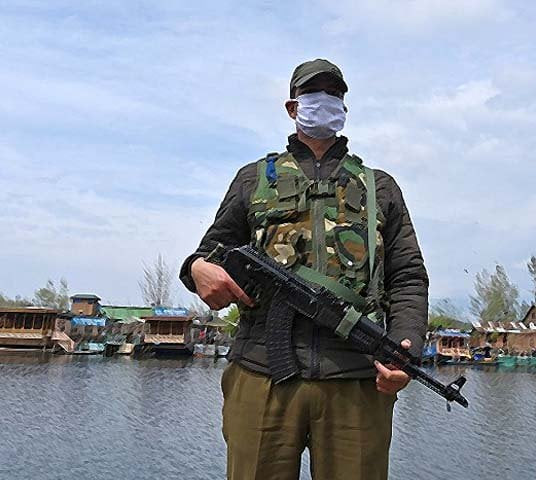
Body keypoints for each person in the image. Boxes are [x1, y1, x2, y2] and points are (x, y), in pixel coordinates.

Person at [180, 58, 429, 480]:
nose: (326, 103)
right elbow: (209, 254)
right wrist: (197, 268)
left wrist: (405, 349)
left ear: (345, 107)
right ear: (293, 107)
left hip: (357, 377)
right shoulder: (254, 179)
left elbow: (407, 277)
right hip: (261, 374)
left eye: (335, 95)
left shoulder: (379, 186)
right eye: (315, 95)